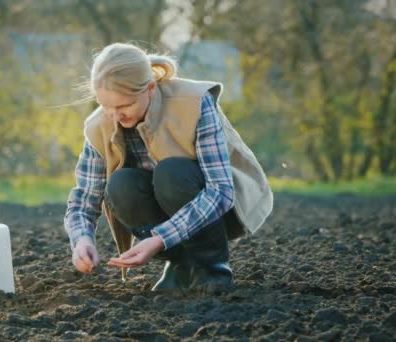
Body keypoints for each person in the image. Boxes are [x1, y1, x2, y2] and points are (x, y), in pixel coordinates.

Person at [63, 42, 273, 292]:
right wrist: (81, 239)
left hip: (221, 212)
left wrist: (160, 238)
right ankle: (180, 265)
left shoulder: (193, 103)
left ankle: (212, 267)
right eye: (106, 107)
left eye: (124, 106)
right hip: (166, 224)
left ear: (150, 88)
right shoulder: (100, 125)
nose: (115, 117)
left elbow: (221, 191)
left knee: (170, 173)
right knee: (121, 184)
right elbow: (84, 199)